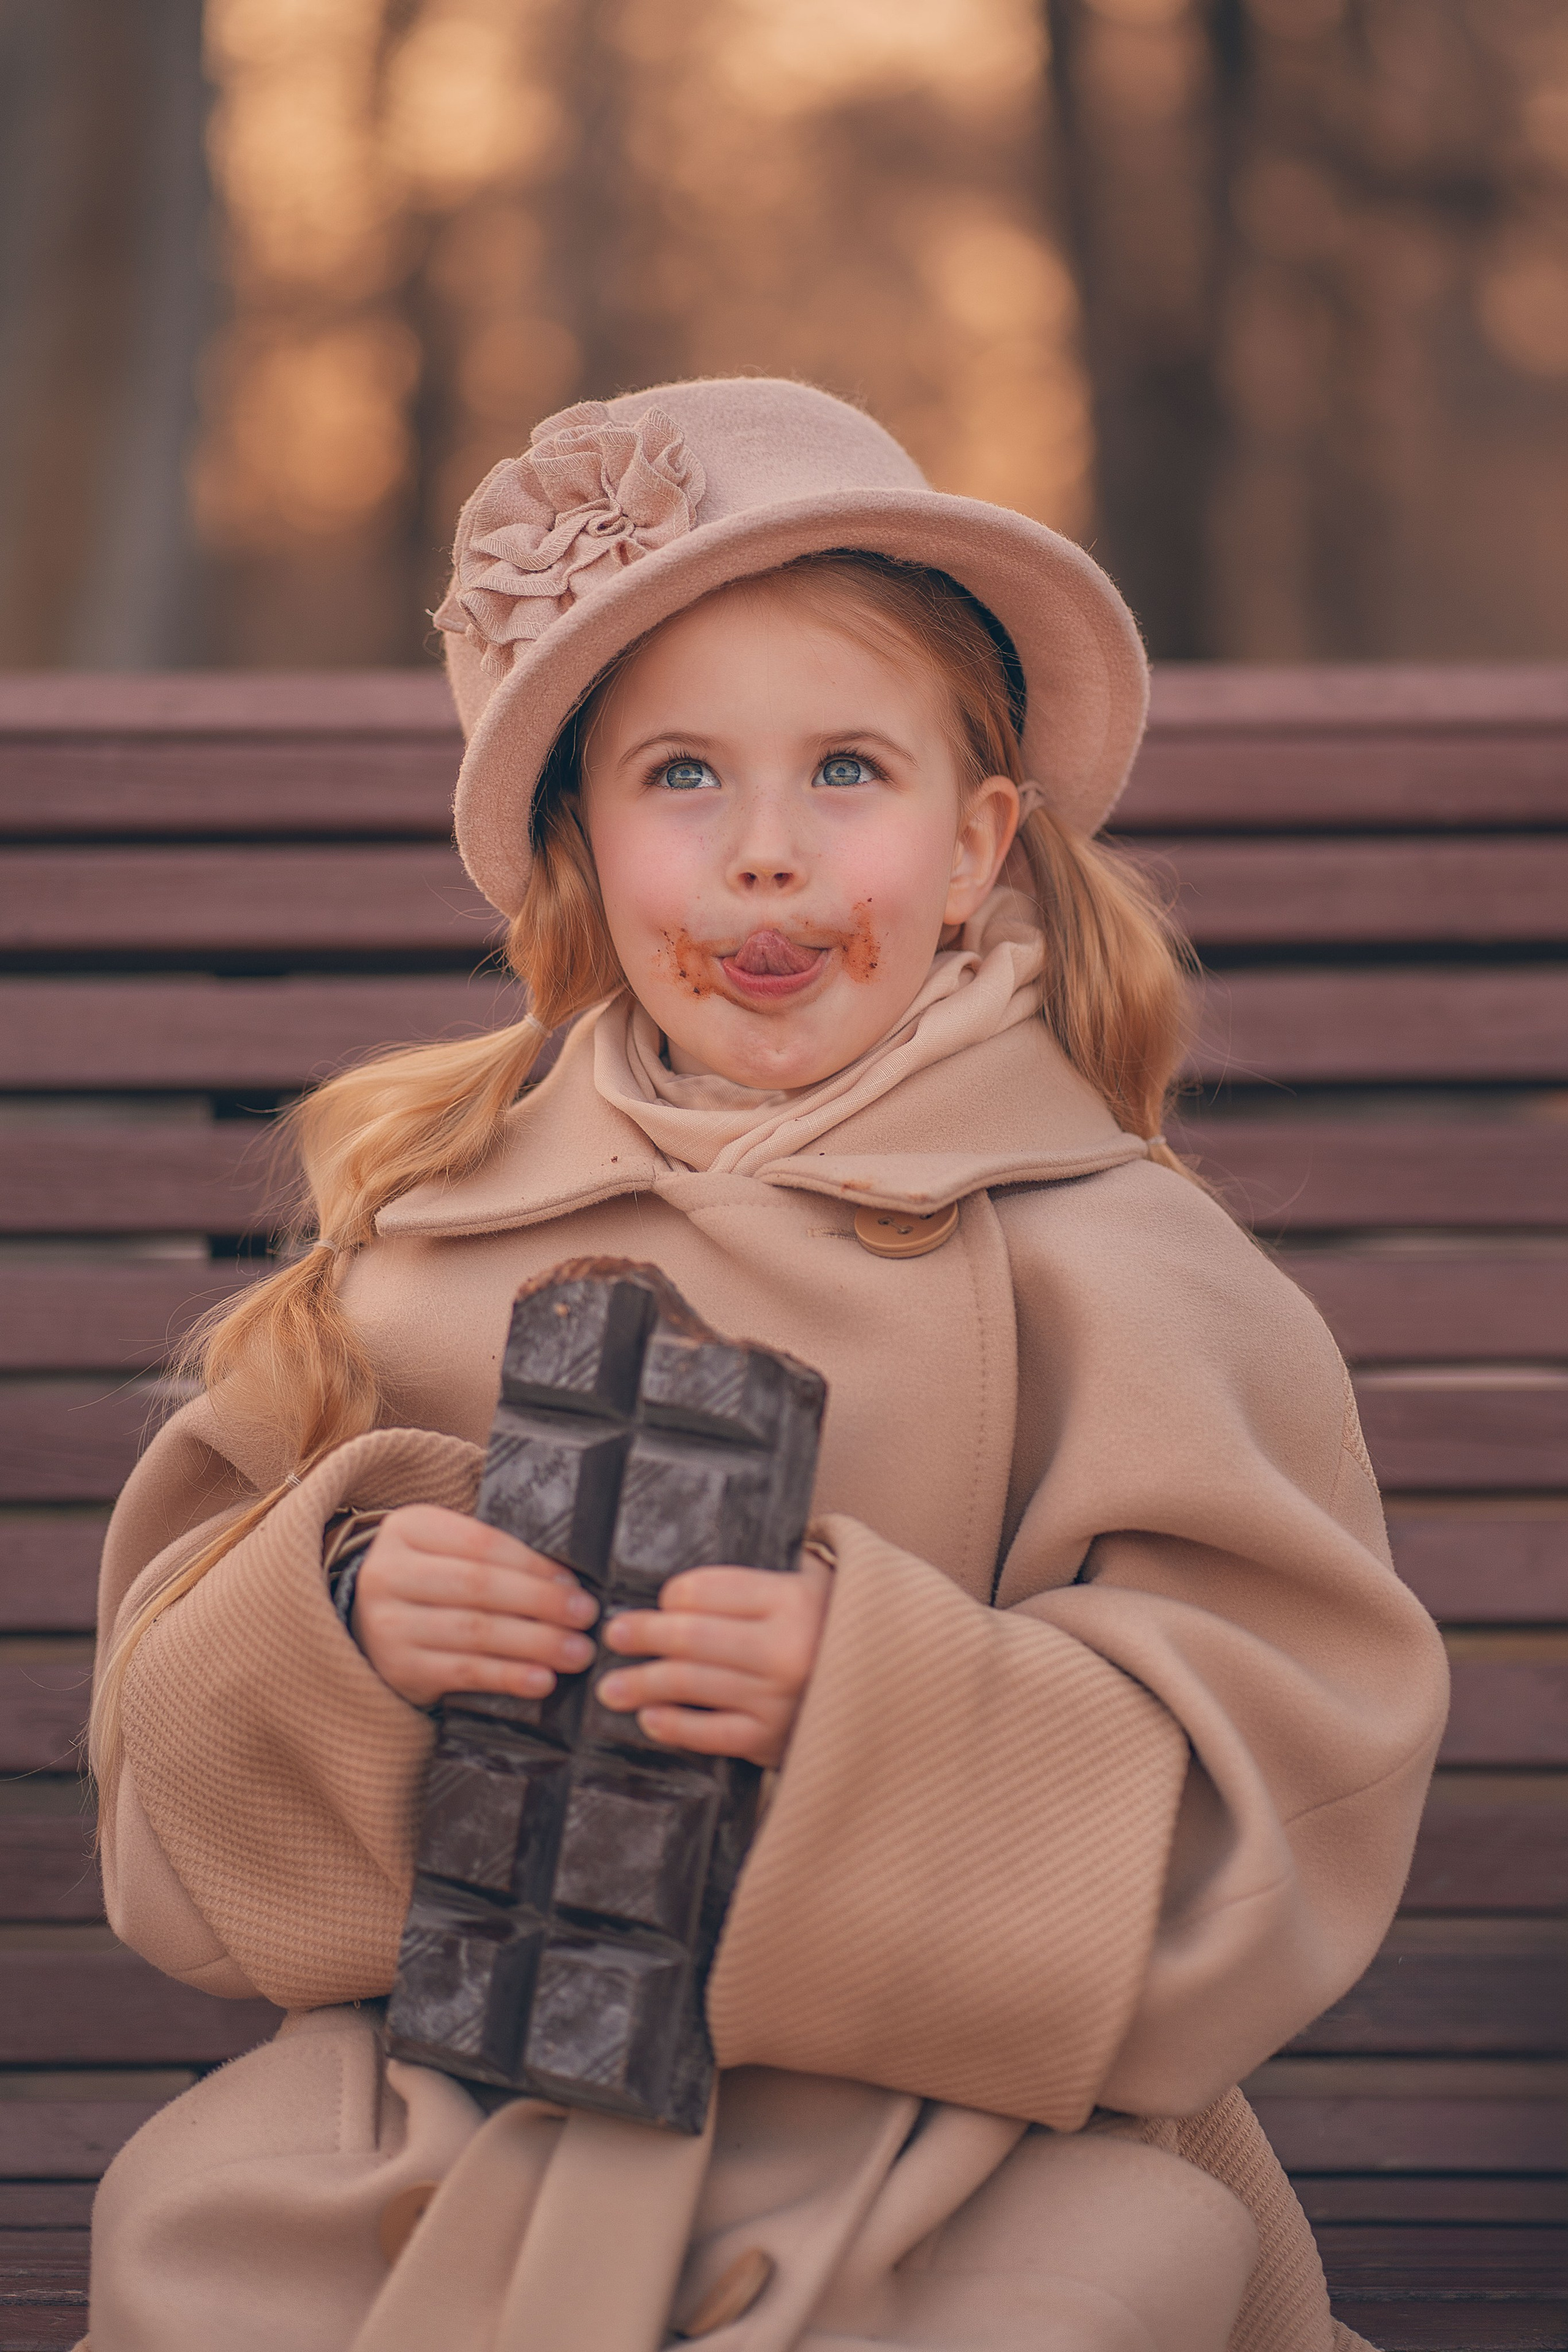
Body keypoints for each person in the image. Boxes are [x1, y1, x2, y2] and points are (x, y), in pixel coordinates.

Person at [85, 379, 1447, 2352]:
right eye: (685, 780)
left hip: (947, 2124)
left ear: (979, 841)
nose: (768, 859)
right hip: (461, 2096)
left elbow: (1285, 1765)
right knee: (191, 2231)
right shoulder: (435, 1240)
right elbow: (180, 1787)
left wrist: (864, 1694)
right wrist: (354, 1611)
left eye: (847, 774)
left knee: (1094, 2292)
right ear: (584, 844)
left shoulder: (1120, 1262)